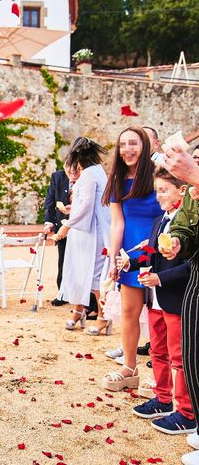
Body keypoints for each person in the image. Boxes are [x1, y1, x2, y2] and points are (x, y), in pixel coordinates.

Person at [120, 168, 195, 434]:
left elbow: (190, 266)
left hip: (174, 299)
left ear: (182, 192)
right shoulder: (158, 221)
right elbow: (151, 257)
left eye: (164, 190)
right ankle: (163, 399)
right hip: (155, 301)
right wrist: (130, 263)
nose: (158, 195)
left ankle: (187, 412)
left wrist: (159, 280)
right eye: (157, 190)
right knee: (157, 352)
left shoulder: (187, 227)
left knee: (179, 357)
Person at [102, 126, 163, 391]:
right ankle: (129, 368)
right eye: (123, 144)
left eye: (134, 143)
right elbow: (117, 222)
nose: (128, 149)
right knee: (129, 312)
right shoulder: (116, 178)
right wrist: (114, 258)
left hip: (160, 248)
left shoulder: (158, 173)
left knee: (160, 314)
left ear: (145, 145)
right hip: (130, 254)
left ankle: (163, 374)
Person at [159, 143, 199, 464]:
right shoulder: (191, 191)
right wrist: (177, 241)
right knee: (193, 355)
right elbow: (186, 226)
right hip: (197, 279)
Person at [52, 138, 110, 331]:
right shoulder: (95, 171)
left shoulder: (90, 175)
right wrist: (72, 209)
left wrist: (66, 226)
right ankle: (79, 311)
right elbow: (85, 203)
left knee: (94, 275)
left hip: (92, 233)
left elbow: (86, 206)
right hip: (85, 230)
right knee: (79, 270)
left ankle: (104, 316)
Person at [42, 164, 80, 306]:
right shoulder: (57, 177)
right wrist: (49, 222)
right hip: (61, 226)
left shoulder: (85, 178)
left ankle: (81, 296)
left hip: (79, 227)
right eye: (69, 166)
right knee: (63, 260)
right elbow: (50, 201)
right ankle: (62, 293)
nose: (72, 170)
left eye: (75, 167)